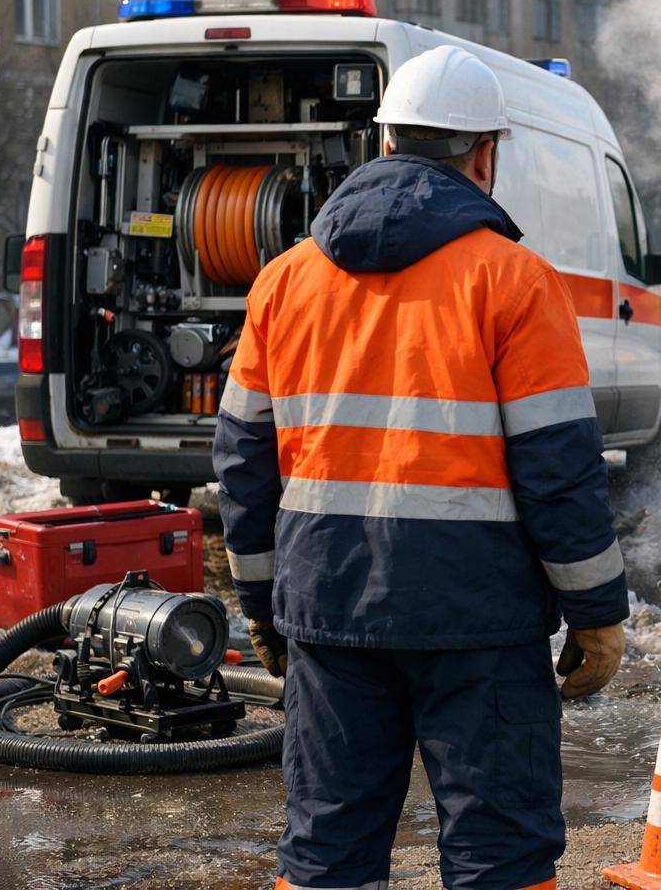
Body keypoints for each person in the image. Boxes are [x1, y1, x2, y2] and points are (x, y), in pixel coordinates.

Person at [213, 45, 627, 890]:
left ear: (385, 144)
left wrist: (260, 602)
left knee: (328, 849)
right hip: (480, 619)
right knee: (500, 855)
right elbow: (559, 469)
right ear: (487, 154)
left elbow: (242, 465)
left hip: (328, 609)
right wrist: (596, 615)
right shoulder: (516, 281)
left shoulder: (283, 282)